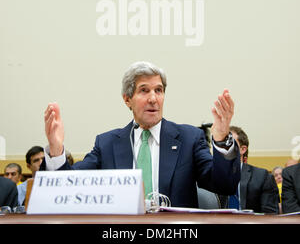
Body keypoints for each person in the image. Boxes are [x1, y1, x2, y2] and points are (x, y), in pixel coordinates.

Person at [42, 61, 240, 208]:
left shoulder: (189, 138)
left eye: (159, 90)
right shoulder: (107, 143)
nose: (153, 99)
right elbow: (69, 187)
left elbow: (225, 185)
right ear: (127, 99)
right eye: (144, 91)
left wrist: (222, 137)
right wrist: (56, 148)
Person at [221, 126, 279, 213]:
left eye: (229, 142)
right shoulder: (211, 175)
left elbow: (270, 215)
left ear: (242, 149)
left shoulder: (262, 177)